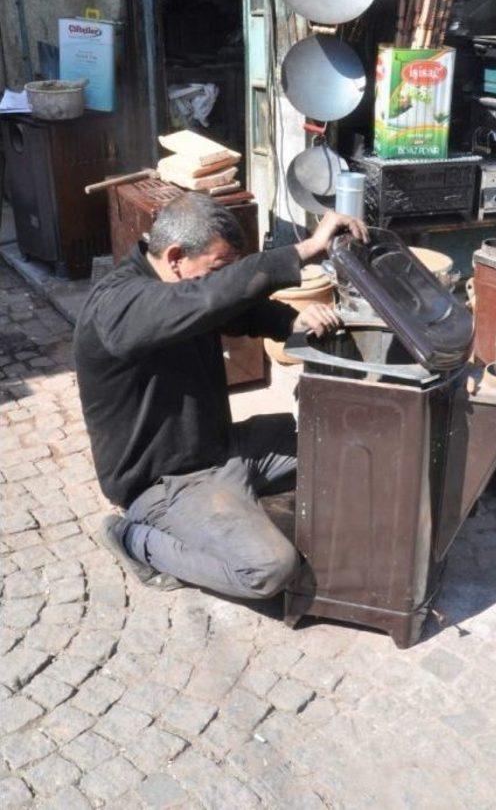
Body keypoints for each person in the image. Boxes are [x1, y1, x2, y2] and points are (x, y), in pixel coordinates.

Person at [74, 191, 367, 599]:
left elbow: (232, 304)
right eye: (216, 268)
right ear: (175, 257)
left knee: (346, 448)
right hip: (165, 483)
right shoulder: (119, 306)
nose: (220, 279)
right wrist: (304, 250)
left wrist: (292, 319)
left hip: (220, 448)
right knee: (268, 569)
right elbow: (208, 296)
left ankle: (235, 505)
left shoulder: (182, 285)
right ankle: (133, 539)